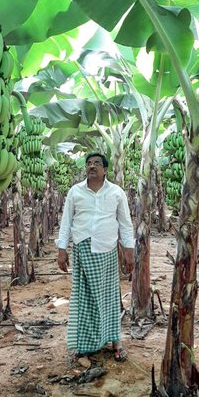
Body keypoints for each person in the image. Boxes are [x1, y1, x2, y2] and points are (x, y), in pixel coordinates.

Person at [56, 152, 135, 362]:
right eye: (89, 163)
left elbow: (125, 224)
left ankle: (115, 341)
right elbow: (66, 222)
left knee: (108, 298)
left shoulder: (116, 193)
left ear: (105, 169)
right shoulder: (75, 192)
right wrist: (61, 249)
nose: (92, 166)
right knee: (85, 299)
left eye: (97, 164)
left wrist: (129, 250)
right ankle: (85, 344)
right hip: (82, 249)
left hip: (107, 251)